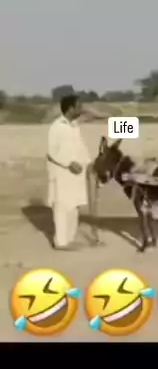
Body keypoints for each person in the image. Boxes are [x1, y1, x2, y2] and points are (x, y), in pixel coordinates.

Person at [47, 94, 93, 251]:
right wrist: (68, 163)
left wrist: (89, 163)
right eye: (78, 106)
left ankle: (70, 239)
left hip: (76, 174)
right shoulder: (57, 126)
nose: (81, 109)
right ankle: (60, 242)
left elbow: (80, 147)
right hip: (62, 174)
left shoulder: (74, 126)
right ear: (70, 108)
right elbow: (51, 152)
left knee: (74, 207)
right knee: (62, 207)